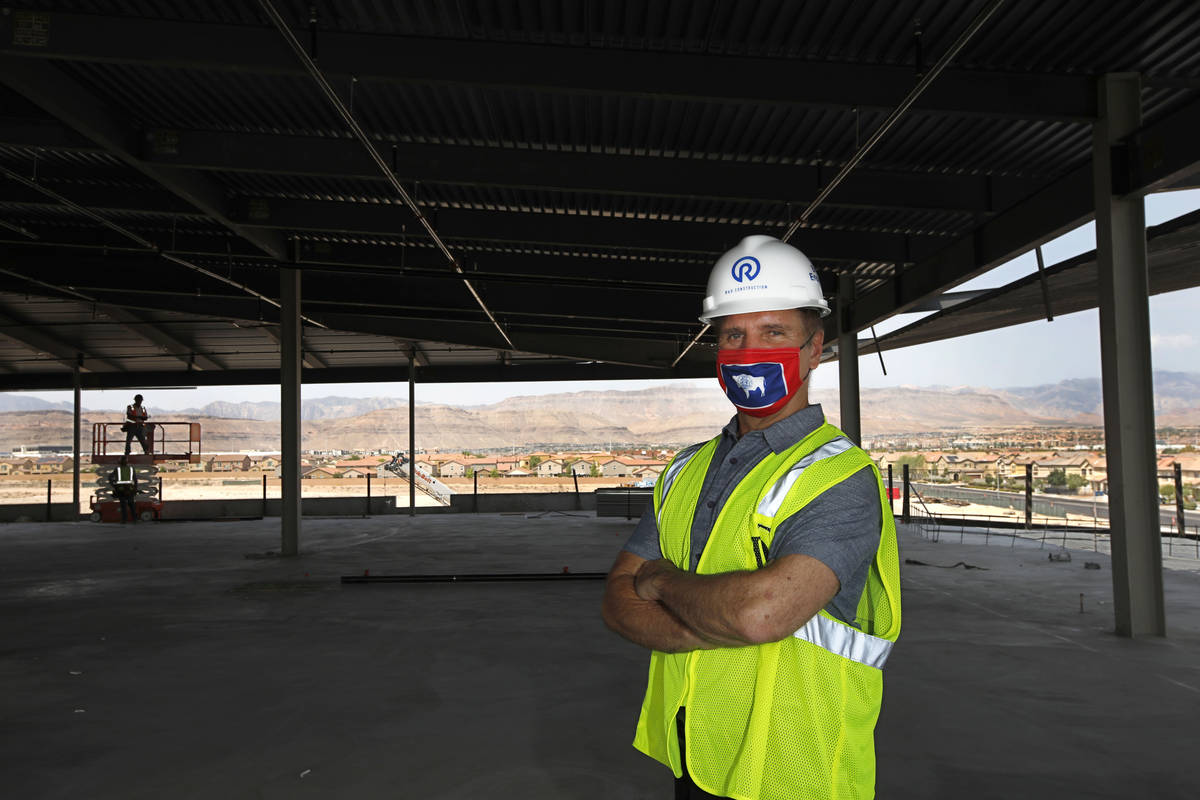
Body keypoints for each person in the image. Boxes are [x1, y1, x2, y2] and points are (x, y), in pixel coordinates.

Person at [601, 235, 902, 800]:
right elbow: (617, 601)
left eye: (773, 333)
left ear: (815, 349)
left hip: (796, 768)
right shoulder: (686, 469)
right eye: (733, 334)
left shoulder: (838, 477)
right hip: (696, 757)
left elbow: (760, 617)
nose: (749, 349)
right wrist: (714, 617)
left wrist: (661, 580)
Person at [109, 455, 138, 524]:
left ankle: (124, 520)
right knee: (131, 505)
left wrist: (114, 485)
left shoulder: (117, 469)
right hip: (129, 489)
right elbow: (135, 480)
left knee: (123, 505)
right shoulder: (131, 469)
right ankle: (135, 519)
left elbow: (110, 477)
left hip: (121, 489)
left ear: (120, 462)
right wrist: (135, 489)